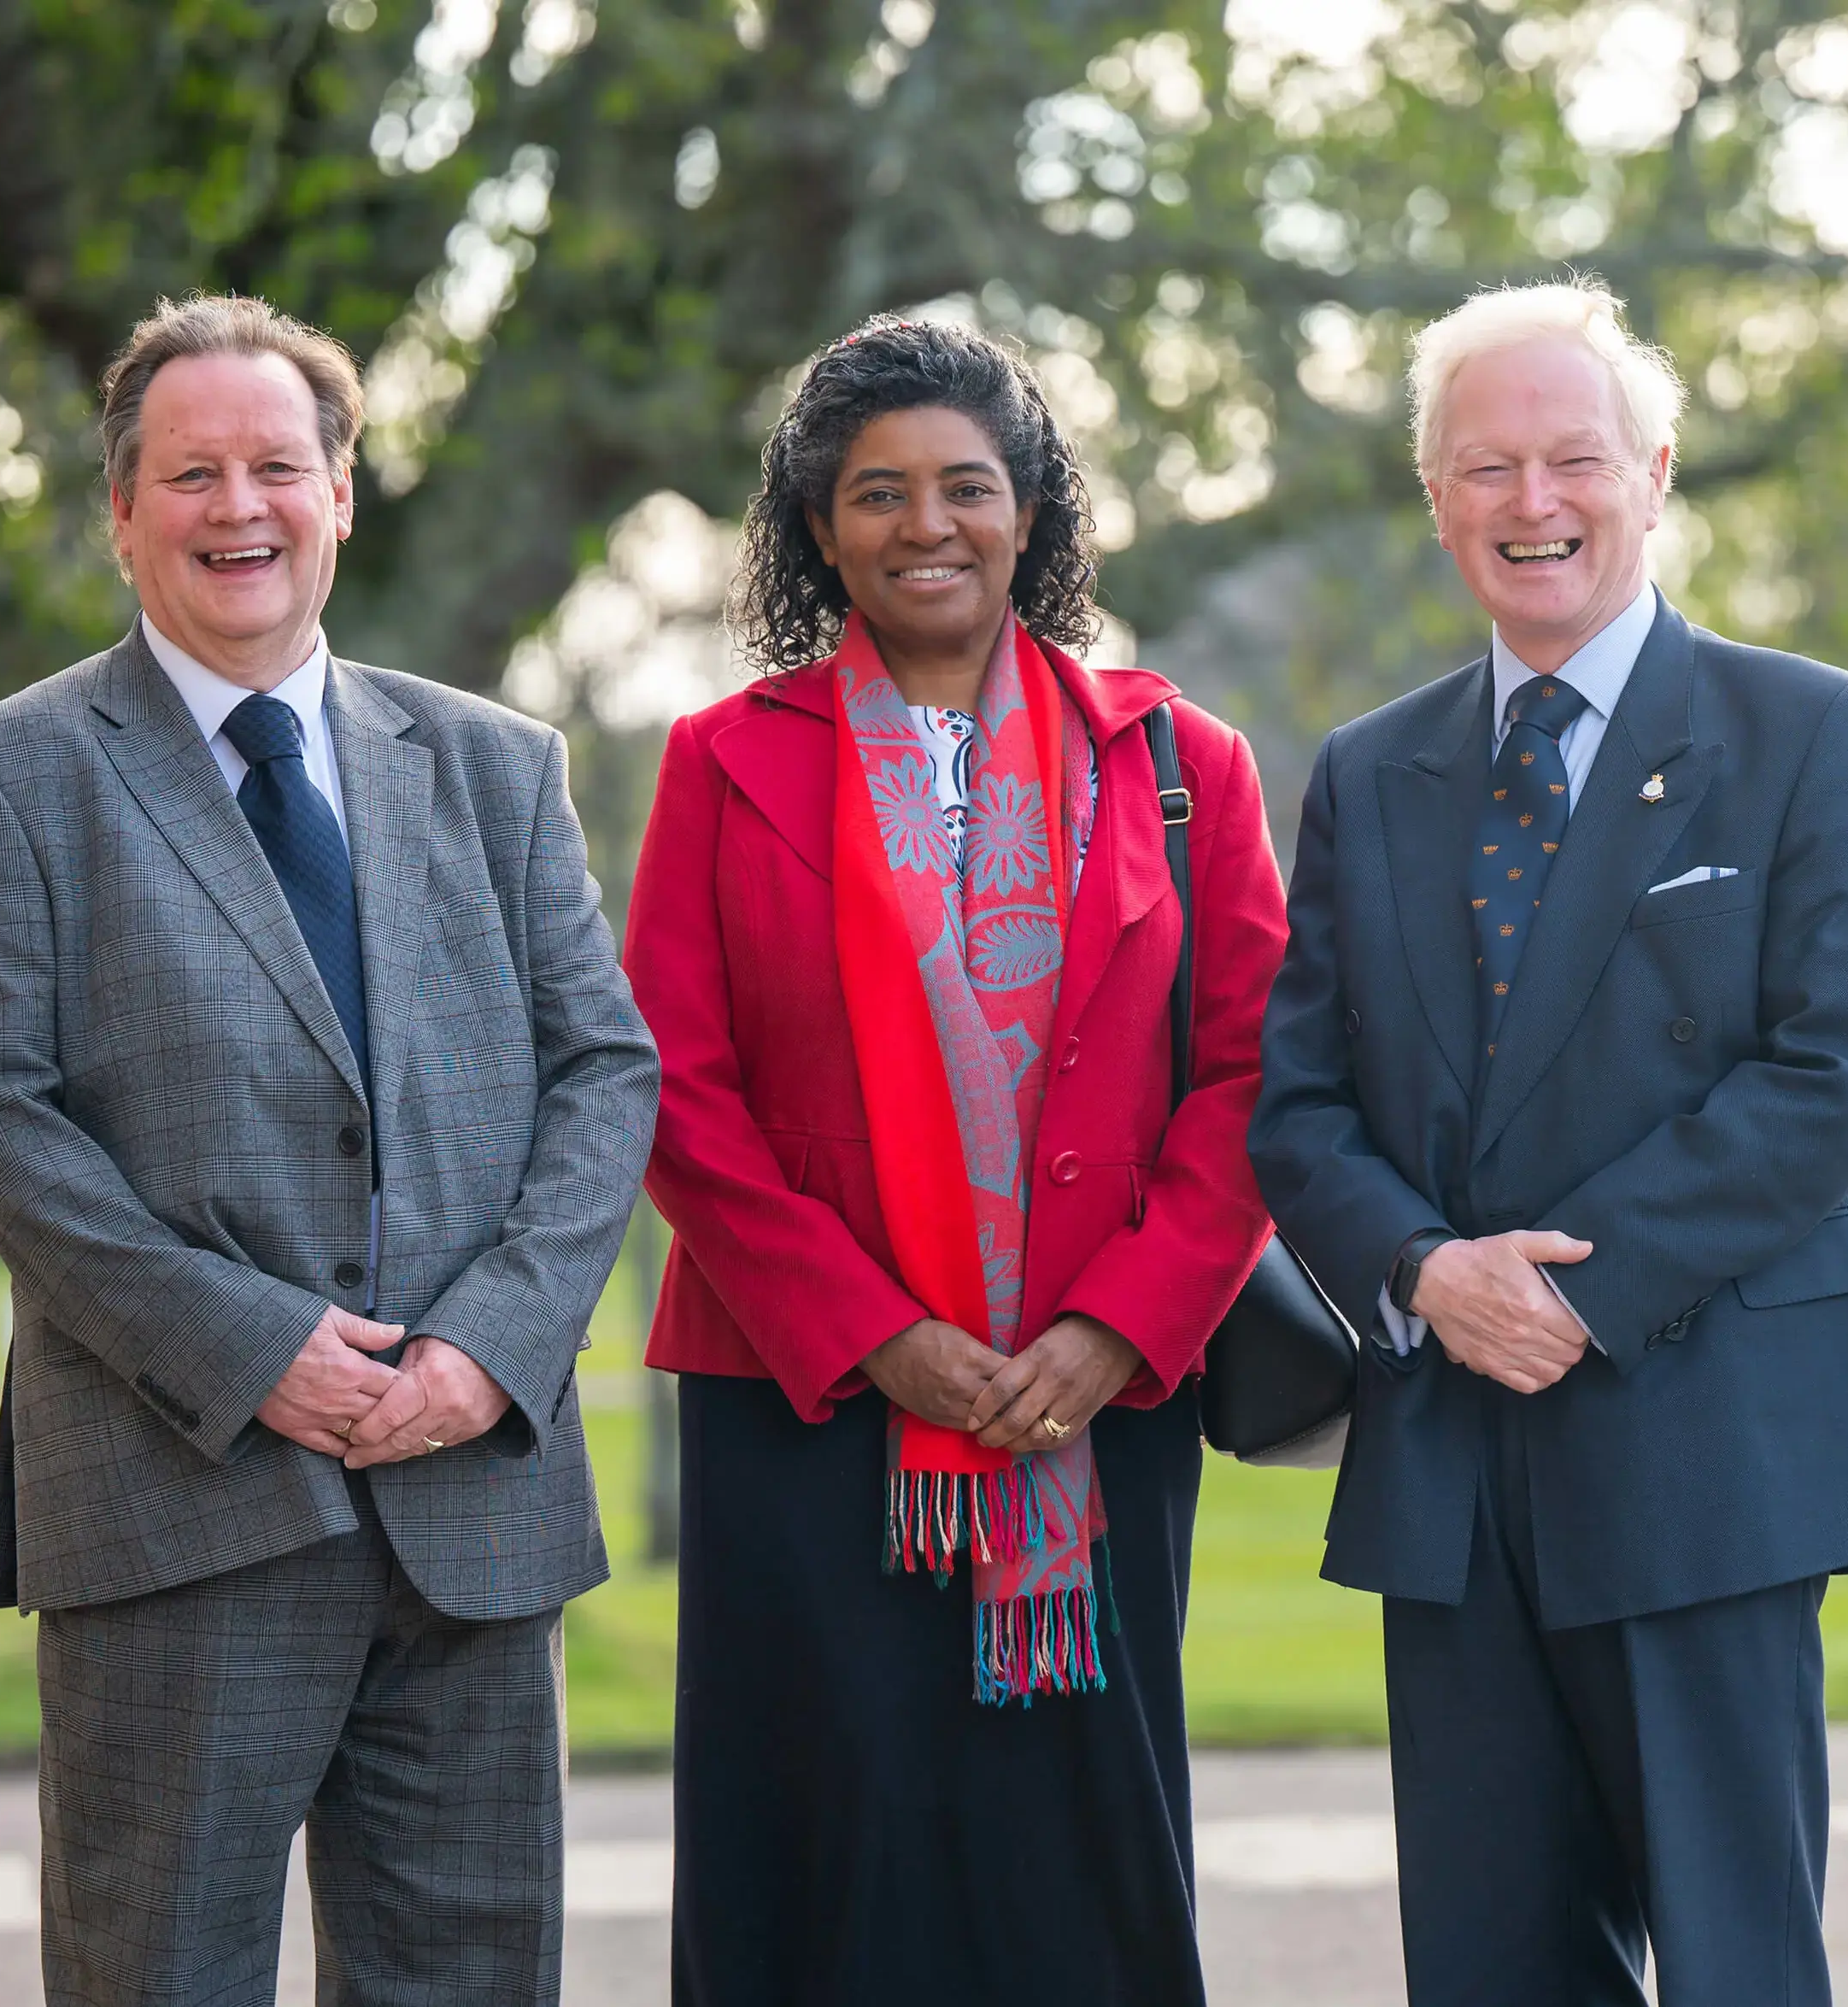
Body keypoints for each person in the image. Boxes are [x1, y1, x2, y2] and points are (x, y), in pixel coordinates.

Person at [0, 293, 658, 2004]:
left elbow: (600, 1069)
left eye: (274, 466)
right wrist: (255, 1354)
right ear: (119, 511)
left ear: (339, 493)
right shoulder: (5, 778)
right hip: (180, 1504)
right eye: (189, 474)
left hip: (472, 1503)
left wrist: (486, 1350)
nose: (236, 506)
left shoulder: (494, 764)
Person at [1248, 280, 1848, 2006]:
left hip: (1702, 1439)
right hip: (1449, 1457)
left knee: (1732, 1961)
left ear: (1650, 472)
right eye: (1481, 466)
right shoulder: (1365, 772)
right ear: (1432, 498)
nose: (1530, 501)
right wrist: (1427, 1268)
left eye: (1570, 456)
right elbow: (1292, 1099)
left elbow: (1832, 1069)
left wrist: (1573, 1290)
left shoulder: (1810, 731)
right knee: (1488, 1969)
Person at [624, 317, 1288, 2005]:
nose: (926, 524)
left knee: (1072, 1865)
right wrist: (875, 1335)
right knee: (819, 1852)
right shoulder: (722, 761)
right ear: (815, 528)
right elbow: (672, 1090)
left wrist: (1115, 1328)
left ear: (1031, 511)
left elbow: (1247, 1077)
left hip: (1093, 1404)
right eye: (877, 494)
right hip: (802, 1405)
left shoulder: (1180, 765)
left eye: (966, 488)